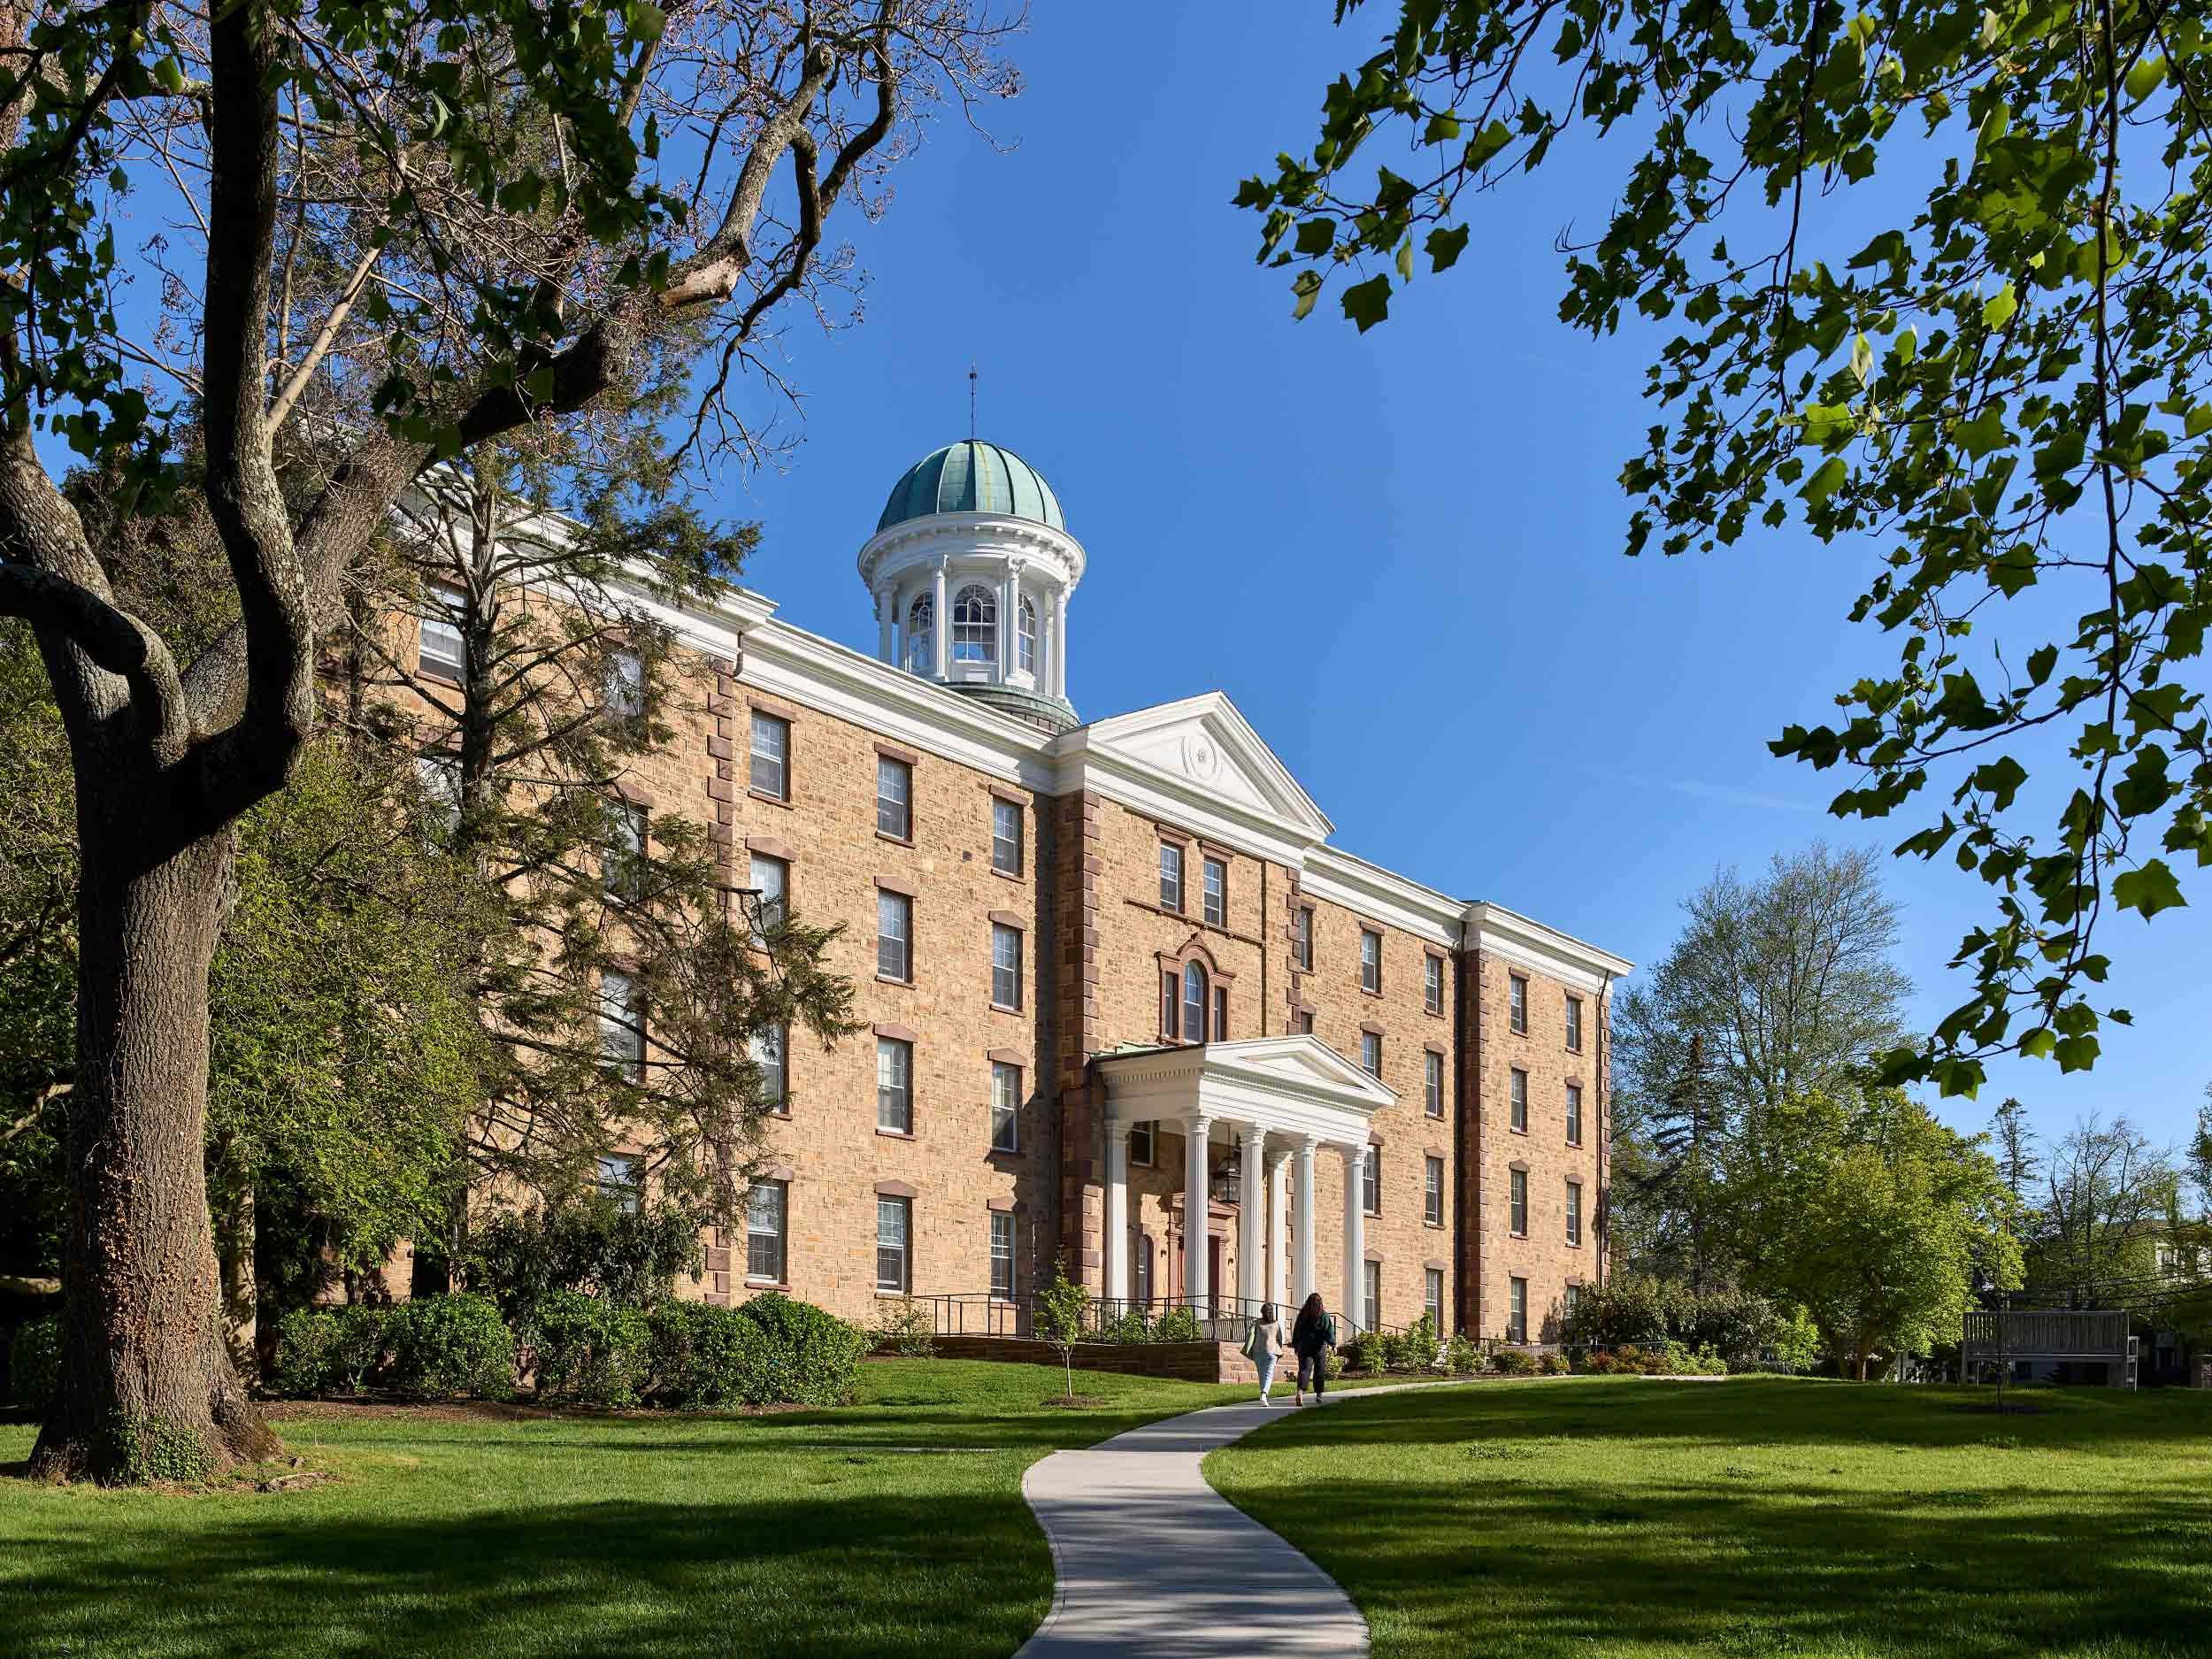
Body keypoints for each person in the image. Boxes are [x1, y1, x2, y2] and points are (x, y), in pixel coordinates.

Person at [1290, 1291, 1336, 1407]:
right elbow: (1329, 1331)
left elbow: (1297, 1330)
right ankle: (1319, 1396)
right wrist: (1333, 1344)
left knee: (1304, 1370)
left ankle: (1300, 1393)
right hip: (1319, 1347)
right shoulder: (1324, 1316)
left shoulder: (1303, 1315)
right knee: (1319, 1371)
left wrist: (1296, 1344)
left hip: (1304, 1346)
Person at [1243, 1302, 1286, 1405]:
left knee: (1262, 1374)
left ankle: (1263, 1395)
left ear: (1262, 1312)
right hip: (1272, 1351)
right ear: (1272, 1312)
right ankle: (1264, 1394)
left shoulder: (1256, 1323)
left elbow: (1250, 1334)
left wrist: (1248, 1347)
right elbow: (1280, 1338)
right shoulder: (1276, 1324)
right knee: (1268, 1373)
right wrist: (1279, 1348)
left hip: (1258, 1351)